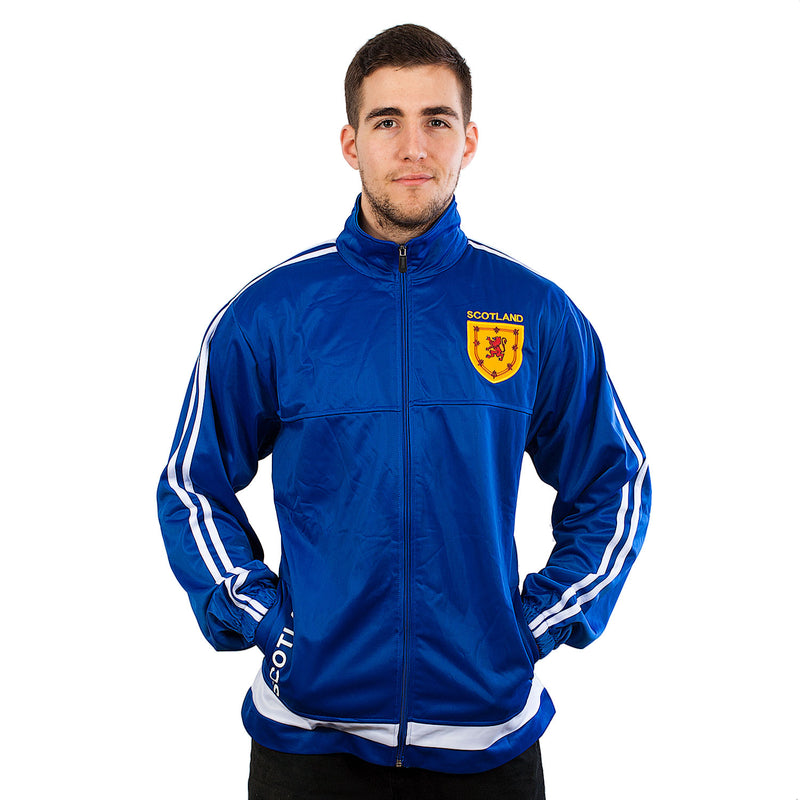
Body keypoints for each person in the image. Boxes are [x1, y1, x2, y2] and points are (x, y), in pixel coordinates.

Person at [157, 23, 651, 800]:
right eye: (387, 121)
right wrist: (266, 622)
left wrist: (535, 625)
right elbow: (192, 486)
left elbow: (614, 482)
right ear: (351, 143)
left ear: (470, 140)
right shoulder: (271, 314)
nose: (414, 147)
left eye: (437, 121)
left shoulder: (536, 312)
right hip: (307, 741)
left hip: (488, 739)